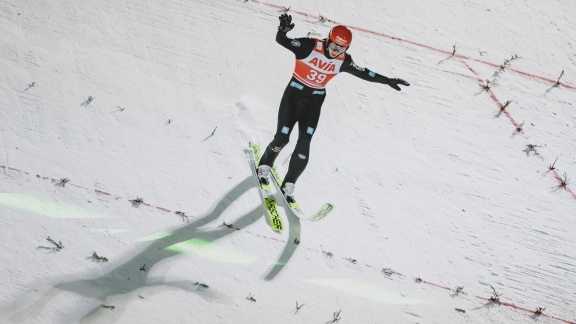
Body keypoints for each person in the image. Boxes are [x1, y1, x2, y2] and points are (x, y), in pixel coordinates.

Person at [257, 14, 410, 203]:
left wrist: (387, 80)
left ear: (347, 49)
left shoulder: (344, 61)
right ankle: (265, 164)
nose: (336, 51)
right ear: (328, 40)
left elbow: (365, 73)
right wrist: (282, 31)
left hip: (314, 103)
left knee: (304, 143)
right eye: (334, 45)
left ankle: (289, 184)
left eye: (341, 48)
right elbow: (282, 41)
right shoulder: (309, 46)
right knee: (282, 137)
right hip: (293, 97)